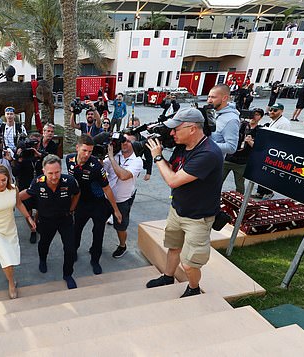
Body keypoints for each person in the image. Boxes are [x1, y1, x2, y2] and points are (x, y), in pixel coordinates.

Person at [144, 107, 223, 298]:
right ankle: (167, 277)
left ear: (192, 128)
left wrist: (157, 156)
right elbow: (173, 168)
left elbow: (173, 180)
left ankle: (194, 288)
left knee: (189, 263)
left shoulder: (208, 153)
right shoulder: (183, 145)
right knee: (173, 247)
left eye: (176, 129)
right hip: (177, 209)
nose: (172, 133)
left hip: (198, 217)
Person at [20, 155, 80, 289]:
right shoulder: (37, 182)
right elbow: (26, 193)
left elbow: (77, 193)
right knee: (44, 244)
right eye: (50, 173)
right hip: (46, 220)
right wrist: (10, 199)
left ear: (61, 169)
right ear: (44, 171)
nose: (54, 176)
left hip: (65, 219)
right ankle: (42, 260)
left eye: (57, 172)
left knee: (70, 249)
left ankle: (68, 274)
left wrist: (72, 208)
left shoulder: (69, 181)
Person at [67, 135, 122, 275]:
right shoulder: (69, 160)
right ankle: (73, 253)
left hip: (98, 205)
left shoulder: (96, 166)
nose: (87, 154)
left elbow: (107, 188)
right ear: (77, 147)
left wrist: (116, 210)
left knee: (98, 233)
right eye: (84, 150)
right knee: (76, 231)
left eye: (90, 151)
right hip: (81, 204)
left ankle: (95, 260)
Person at [0, 165, 34, 299]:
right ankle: (11, 283)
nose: (1, 183)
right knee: (6, 260)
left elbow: (19, 204)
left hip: (11, 229)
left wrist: (28, 217)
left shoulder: (14, 189)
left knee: (12, 258)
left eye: (4, 180)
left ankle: (10, 276)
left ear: (8, 178)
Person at [102, 132, 144, 258]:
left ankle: (122, 245)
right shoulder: (115, 154)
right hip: (106, 198)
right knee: (99, 223)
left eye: (128, 141)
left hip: (122, 200)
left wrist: (111, 157)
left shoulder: (137, 161)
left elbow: (123, 175)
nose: (124, 143)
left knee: (120, 227)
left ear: (135, 144)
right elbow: (102, 168)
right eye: (123, 140)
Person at [251, 103, 291, 199]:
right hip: (267, 149)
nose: (272, 112)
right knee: (262, 171)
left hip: (274, 151)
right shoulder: (273, 120)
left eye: (275, 110)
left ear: (281, 111)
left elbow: (283, 139)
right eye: (271, 110)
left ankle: (268, 192)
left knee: (267, 173)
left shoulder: (284, 123)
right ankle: (260, 191)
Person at [12, 132, 43, 243]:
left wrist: (38, 155)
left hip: (40, 186)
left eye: (38, 143)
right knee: (28, 210)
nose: (35, 146)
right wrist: (19, 159)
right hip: (26, 187)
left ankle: (36, 222)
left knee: (39, 208)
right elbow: (15, 172)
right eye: (33, 143)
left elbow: (50, 160)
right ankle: (32, 230)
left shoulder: (41, 153)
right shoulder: (22, 154)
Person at [222, 108, 263, 193]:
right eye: (252, 114)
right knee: (218, 181)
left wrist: (250, 142)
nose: (253, 117)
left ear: (261, 117)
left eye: (257, 115)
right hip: (229, 159)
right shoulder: (241, 125)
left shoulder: (260, 130)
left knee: (240, 185)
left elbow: (259, 148)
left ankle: (239, 202)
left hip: (242, 163)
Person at [208, 84, 240, 156]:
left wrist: (206, 144)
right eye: (209, 97)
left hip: (212, 162)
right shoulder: (213, 111)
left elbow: (231, 148)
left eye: (213, 97)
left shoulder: (231, 120)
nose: (209, 100)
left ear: (224, 98)